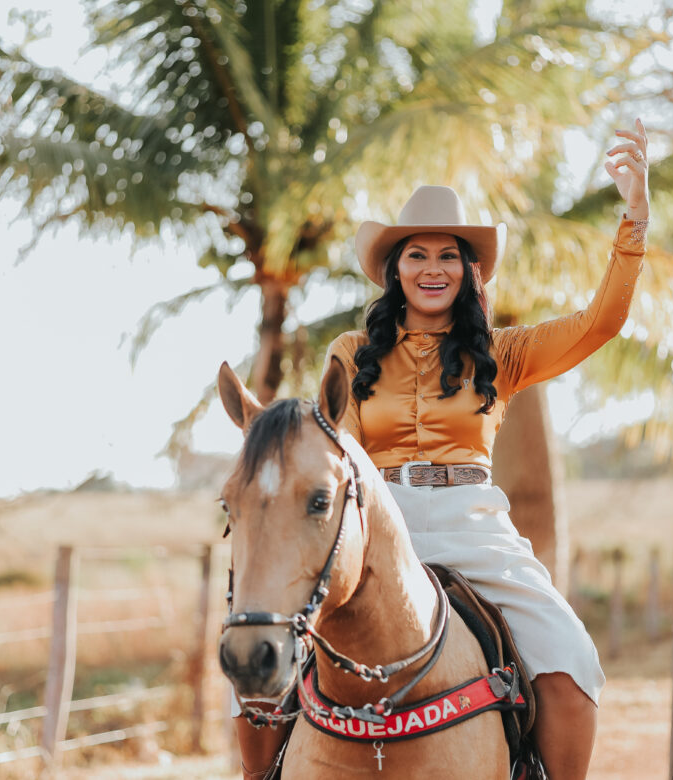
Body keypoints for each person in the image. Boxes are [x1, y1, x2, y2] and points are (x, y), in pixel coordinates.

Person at [237, 119, 649, 779]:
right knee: (261, 661)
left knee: (571, 665)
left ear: (469, 268)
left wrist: (633, 219)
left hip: (474, 525)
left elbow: (600, 323)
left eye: (448, 255)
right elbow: (327, 445)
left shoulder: (504, 355)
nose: (432, 269)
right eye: (417, 255)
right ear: (395, 269)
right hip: (375, 526)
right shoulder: (352, 354)